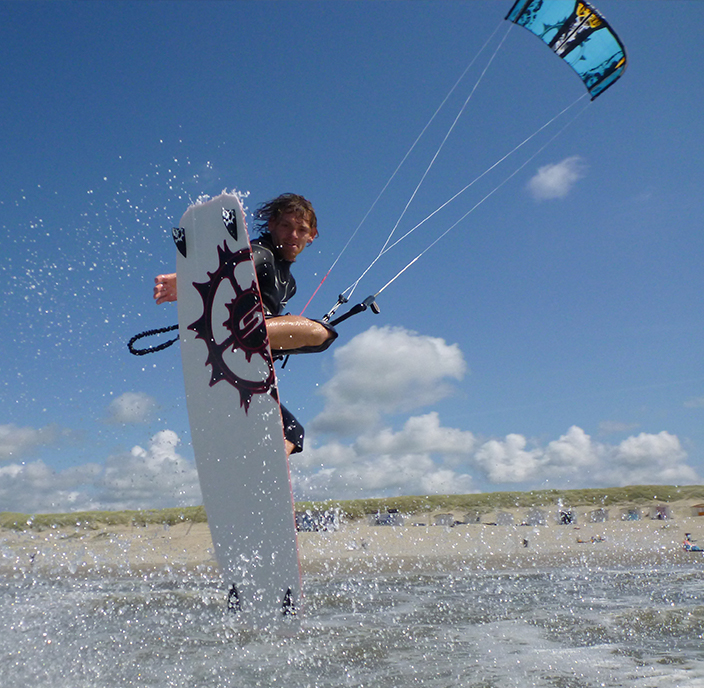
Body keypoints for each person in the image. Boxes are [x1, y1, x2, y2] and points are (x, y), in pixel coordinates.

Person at [153, 193, 337, 456]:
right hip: (232, 333)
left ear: (312, 235)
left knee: (293, 433)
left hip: (243, 361)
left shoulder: (290, 284)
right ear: (272, 224)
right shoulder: (263, 252)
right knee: (321, 332)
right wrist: (188, 279)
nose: (292, 234)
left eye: (301, 229)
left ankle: (263, 468)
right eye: (285, 225)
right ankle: (244, 337)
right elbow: (241, 260)